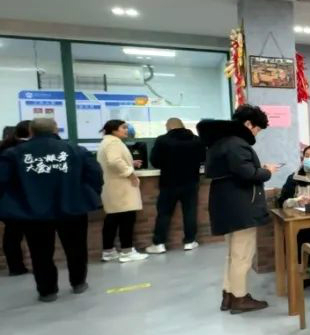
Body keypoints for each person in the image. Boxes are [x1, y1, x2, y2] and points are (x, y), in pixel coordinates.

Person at [0, 118, 102, 301]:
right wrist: (88, 195)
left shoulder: (14, 154)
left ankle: (47, 291)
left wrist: (16, 203)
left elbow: (3, 181)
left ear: (31, 131)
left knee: (40, 253)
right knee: (76, 248)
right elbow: (95, 175)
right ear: (56, 130)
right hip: (73, 207)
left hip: (33, 211)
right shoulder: (76, 150)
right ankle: (78, 282)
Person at [197, 105, 279, 314]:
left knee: (233, 254)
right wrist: (268, 171)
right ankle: (240, 298)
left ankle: (229, 295)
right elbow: (248, 173)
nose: (256, 134)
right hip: (242, 206)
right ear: (248, 124)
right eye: (257, 129)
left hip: (227, 205)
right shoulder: (237, 143)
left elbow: (237, 170)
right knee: (242, 255)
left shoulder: (219, 142)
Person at [146, 118, 206, 254]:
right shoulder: (196, 140)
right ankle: (190, 241)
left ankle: (159, 243)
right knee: (190, 212)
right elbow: (203, 157)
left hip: (169, 183)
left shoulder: (162, 140)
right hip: (191, 182)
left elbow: (155, 161)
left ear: (168, 127)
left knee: (164, 213)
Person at [97, 120, 148, 263]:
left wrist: (131, 163)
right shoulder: (114, 143)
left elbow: (113, 161)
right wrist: (130, 173)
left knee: (113, 219)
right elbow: (114, 161)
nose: (126, 130)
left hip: (113, 188)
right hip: (121, 187)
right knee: (126, 219)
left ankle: (108, 251)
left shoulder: (107, 142)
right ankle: (127, 251)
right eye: (123, 127)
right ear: (114, 130)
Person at [1, 120, 31, 276]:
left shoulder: (4, 150)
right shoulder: (24, 151)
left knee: (12, 234)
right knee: (32, 234)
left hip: (7, 200)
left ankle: (15, 266)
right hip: (25, 199)